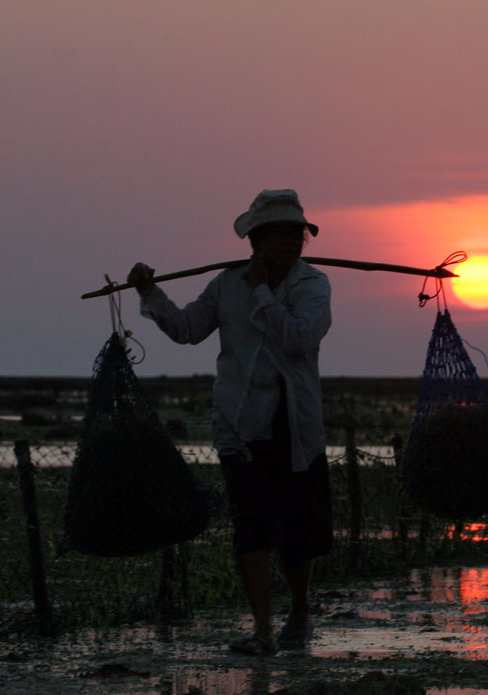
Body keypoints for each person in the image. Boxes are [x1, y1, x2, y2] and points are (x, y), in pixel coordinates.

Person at [128, 189, 333, 655]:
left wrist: (261, 291)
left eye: (296, 233)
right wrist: (149, 292)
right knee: (251, 524)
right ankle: (262, 629)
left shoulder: (312, 285)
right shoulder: (226, 285)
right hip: (240, 425)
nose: (290, 241)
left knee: (299, 526)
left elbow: (298, 338)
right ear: (255, 241)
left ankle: (299, 611)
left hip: (296, 427)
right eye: (278, 234)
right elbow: (186, 329)